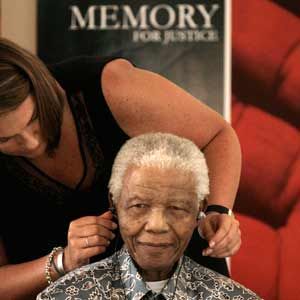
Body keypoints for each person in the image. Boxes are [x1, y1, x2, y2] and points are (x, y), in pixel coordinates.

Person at [0, 38, 241, 299]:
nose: (32, 142)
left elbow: (217, 136)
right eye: (5, 139)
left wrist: (218, 210)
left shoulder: (112, 87)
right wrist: (63, 262)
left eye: (34, 119)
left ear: (42, 84)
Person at [37, 133, 259, 300]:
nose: (156, 225)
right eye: (139, 206)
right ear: (114, 203)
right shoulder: (63, 296)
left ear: (198, 209)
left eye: (177, 208)